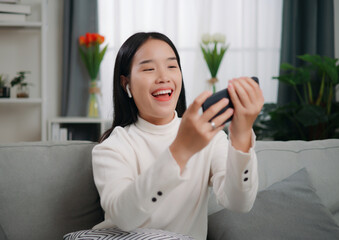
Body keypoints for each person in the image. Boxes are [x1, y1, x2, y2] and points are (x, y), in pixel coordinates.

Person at [92, 32, 264, 240]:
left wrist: (241, 134)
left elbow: (239, 203)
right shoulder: (112, 147)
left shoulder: (210, 137)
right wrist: (181, 150)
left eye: (172, 66)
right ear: (125, 84)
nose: (164, 77)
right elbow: (124, 217)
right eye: (148, 69)